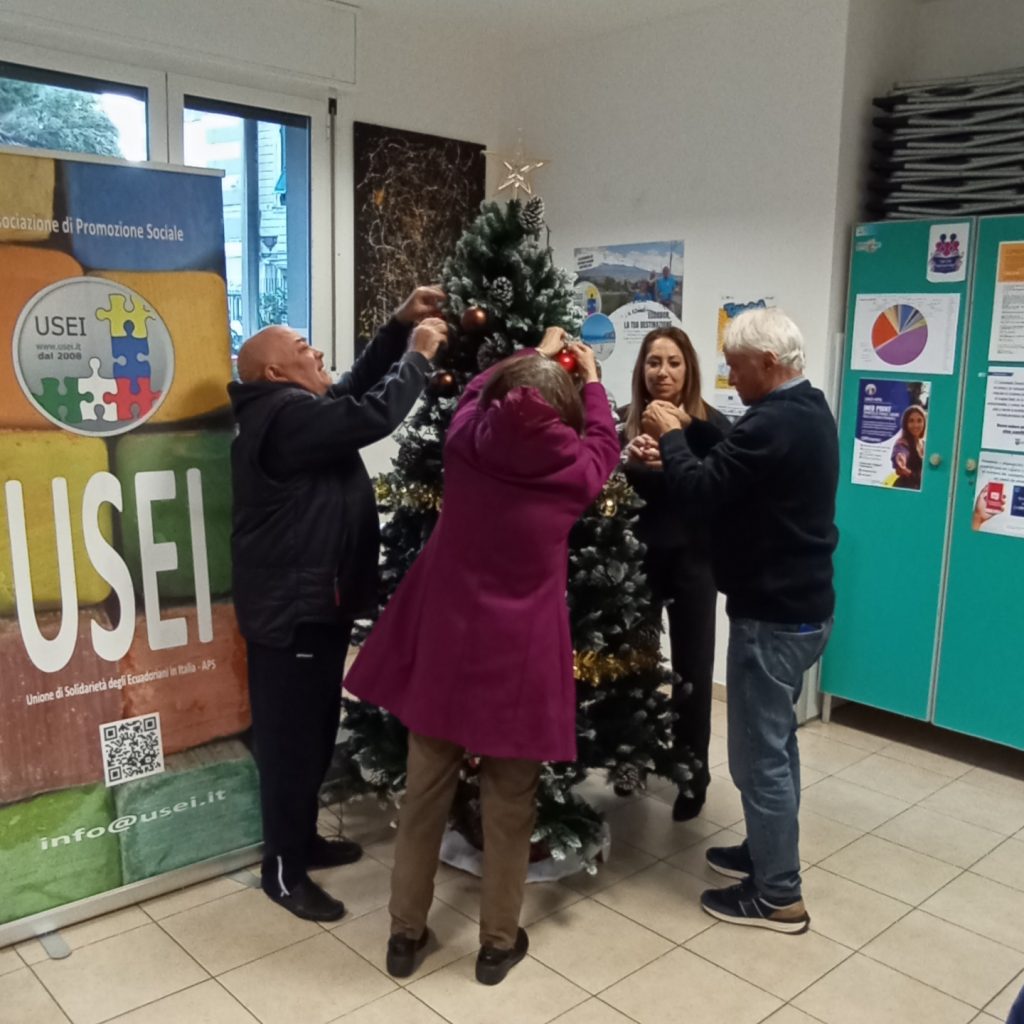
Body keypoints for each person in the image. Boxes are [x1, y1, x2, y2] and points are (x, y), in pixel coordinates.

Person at [343, 330, 619, 985]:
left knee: (423, 796)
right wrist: (592, 377)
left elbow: (472, 390)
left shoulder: (466, 443)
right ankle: (496, 945)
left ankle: (405, 935)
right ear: (566, 411)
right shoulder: (576, 471)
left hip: (448, 646)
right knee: (510, 804)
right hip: (521, 659)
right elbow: (606, 439)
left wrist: (529, 354)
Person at [228, 286, 447, 922]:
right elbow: (372, 414)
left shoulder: (295, 407)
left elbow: (352, 387)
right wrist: (419, 355)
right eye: (303, 348)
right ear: (276, 372)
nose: (318, 351)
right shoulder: (283, 417)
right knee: (291, 747)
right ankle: (281, 870)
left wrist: (397, 325)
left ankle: (302, 842)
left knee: (316, 733)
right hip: (291, 615)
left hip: (314, 609)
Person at [641, 307, 838, 934]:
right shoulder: (805, 408)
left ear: (768, 363)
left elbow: (702, 489)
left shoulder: (774, 423)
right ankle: (763, 851)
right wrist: (691, 430)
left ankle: (778, 895)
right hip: (800, 608)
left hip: (772, 617)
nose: (730, 377)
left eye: (736, 366)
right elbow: (733, 457)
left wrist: (671, 436)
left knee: (760, 757)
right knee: (775, 746)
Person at [620, 327, 730, 820]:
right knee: (635, 669)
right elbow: (605, 488)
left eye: (673, 362)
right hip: (637, 563)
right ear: (641, 370)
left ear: (689, 370)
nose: (662, 372)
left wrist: (674, 457)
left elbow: (722, 486)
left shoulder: (710, 425)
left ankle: (691, 777)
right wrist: (628, 463)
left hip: (693, 563)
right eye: (653, 362)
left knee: (693, 673)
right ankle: (631, 762)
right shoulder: (626, 422)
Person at [891, 405, 926, 489]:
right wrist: (900, 459)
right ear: (905, 424)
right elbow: (900, 453)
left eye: (919, 421)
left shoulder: (923, 444)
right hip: (905, 489)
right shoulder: (902, 443)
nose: (915, 425)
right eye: (911, 421)